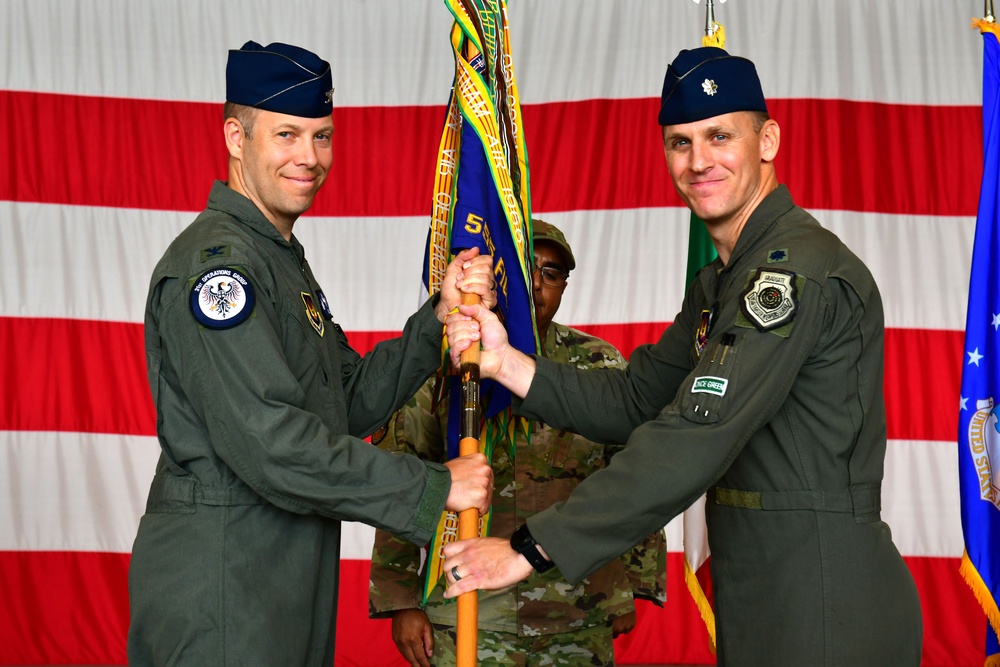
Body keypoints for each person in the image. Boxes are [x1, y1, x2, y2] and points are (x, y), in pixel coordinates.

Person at [439, 47, 924, 666]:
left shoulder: (790, 273)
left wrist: (529, 548)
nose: (699, 162)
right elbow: (637, 399)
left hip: (821, 592)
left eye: (720, 136)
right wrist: (506, 361)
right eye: (680, 142)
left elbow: (695, 434)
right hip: (766, 588)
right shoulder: (722, 281)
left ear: (768, 139)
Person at [127, 41, 496, 666]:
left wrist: (436, 320)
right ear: (235, 137)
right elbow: (273, 443)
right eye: (288, 135)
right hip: (226, 581)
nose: (310, 157)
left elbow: (343, 404)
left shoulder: (275, 256)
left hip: (276, 574)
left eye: (322, 136)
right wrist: (434, 489)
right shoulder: (219, 269)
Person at [368, 220, 667, 667]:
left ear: (565, 285)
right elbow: (404, 475)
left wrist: (631, 586)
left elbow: (636, 475)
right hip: (468, 608)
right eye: (529, 270)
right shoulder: (450, 360)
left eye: (553, 273)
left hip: (578, 607)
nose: (540, 287)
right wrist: (401, 599)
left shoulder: (600, 364)